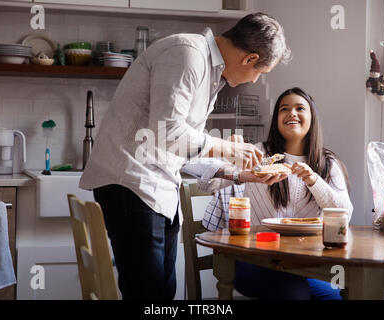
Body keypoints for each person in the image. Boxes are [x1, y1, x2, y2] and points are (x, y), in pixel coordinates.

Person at [79, 13, 291, 300]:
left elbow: (181, 150)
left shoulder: (210, 72)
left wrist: (240, 174)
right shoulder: (187, 54)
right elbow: (168, 133)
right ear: (250, 59)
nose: (254, 79)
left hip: (154, 191)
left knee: (162, 294)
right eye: (261, 73)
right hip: (131, 184)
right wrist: (226, 147)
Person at [181, 87, 353, 300]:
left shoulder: (327, 163)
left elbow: (344, 214)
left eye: (300, 108)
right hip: (254, 260)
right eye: (284, 109)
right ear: (276, 119)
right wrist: (231, 157)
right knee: (294, 294)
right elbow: (207, 184)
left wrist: (313, 180)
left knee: (332, 297)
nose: (292, 113)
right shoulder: (258, 154)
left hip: (307, 264)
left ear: (312, 118)